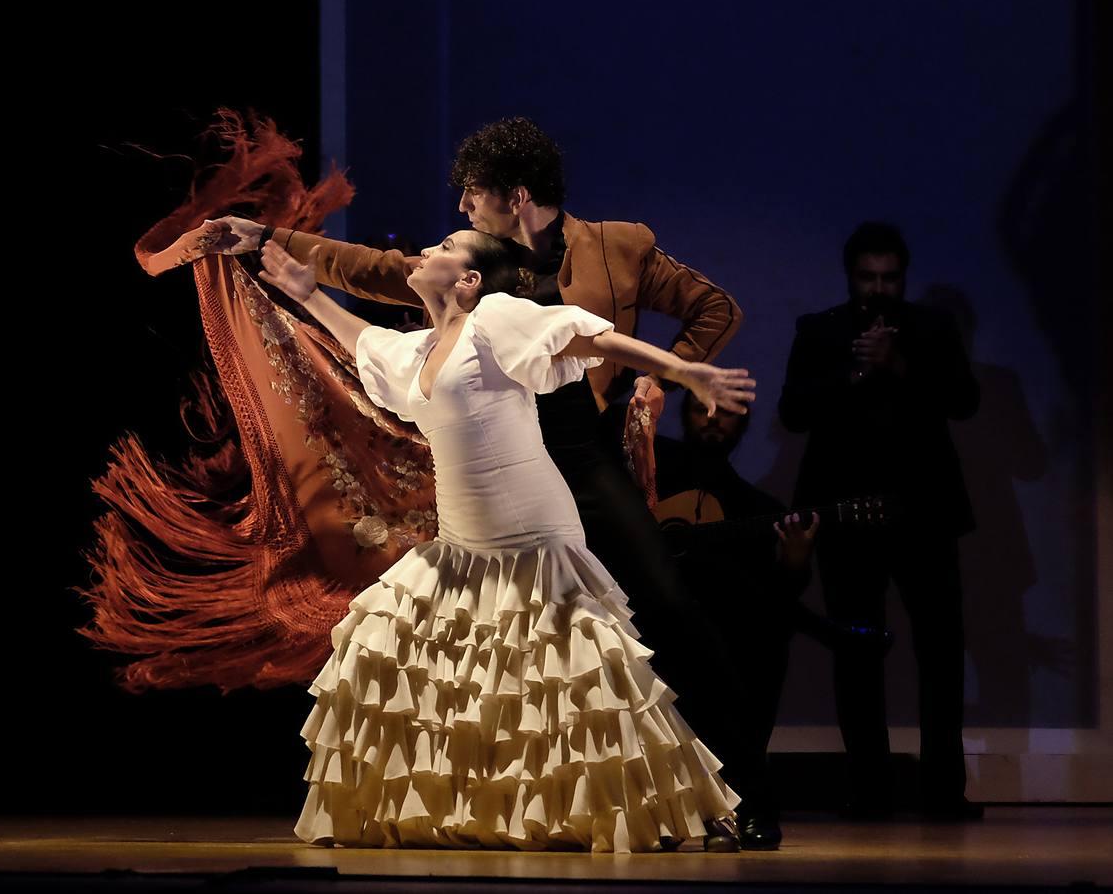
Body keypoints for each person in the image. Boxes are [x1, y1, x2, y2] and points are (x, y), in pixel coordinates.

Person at [205, 116, 776, 848]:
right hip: (493, 460)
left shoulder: (615, 245)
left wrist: (663, 380)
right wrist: (265, 241)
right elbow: (364, 270)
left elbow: (707, 309)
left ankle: (746, 796)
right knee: (494, 644)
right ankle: (516, 803)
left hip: (579, 456)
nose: (461, 212)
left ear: (515, 196)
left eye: (472, 198)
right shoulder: (464, 281)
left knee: (666, 618)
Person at [778, 221, 982, 821]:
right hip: (847, 516)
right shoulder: (820, 331)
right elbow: (792, 412)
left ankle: (945, 791)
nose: (879, 287)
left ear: (904, 276)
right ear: (850, 276)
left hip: (926, 515)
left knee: (941, 653)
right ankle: (870, 789)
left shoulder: (932, 330)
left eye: (890, 277)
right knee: (857, 654)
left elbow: (964, 402)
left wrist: (898, 366)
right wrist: (856, 373)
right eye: (868, 277)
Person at [650, 392, 820, 848]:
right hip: (656, 624)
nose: (712, 419)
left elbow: (779, 591)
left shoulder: (756, 505)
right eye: (702, 408)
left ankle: (735, 803)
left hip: (725, 632)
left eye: (726, 413)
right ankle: (665, 806)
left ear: (743, 424)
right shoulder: (652, 474)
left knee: (759, 634)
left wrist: (794, 562)